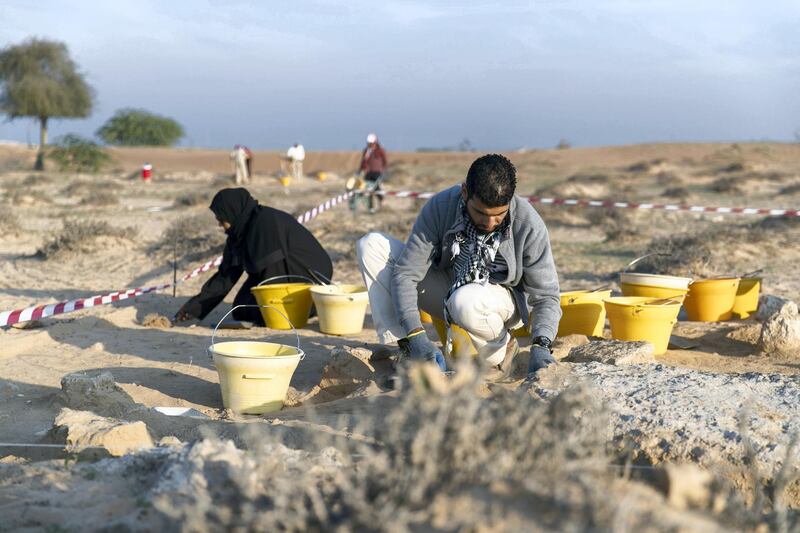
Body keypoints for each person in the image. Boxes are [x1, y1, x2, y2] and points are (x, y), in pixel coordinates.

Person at [356, 154, 561, 379]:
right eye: (481, 213)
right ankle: (407, 349)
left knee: (466, 301)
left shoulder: (528, 224)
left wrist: (541, 346)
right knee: (371, 246)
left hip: (500, 301)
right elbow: (406, 273)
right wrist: (415, 336)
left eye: (499, 216)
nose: (490, 224)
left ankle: (501, 349)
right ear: (465, 193)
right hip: (449, 290)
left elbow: (546, 296)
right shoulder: (441, 207)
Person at [175, 188, 333, 325]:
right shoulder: (237, 233)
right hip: (279, 273)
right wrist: (193, 309)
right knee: (241, 310)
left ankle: (309, 308)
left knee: (260, 312)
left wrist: (269, 308)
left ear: (232, 213)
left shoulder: (265, 222)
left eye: (221, 219)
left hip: (307, 274)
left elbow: (274, 272)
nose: (219, 225)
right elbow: (225, 277)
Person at [352, 133, 387, 214]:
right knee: (368, 189)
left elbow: (384, 161)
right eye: (369, 143)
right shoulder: (366, 151)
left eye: (371, 143)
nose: (370, 144)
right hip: (368, 173)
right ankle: (370, 207)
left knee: (376, 188)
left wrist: (383, 170)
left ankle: (381, 200)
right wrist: (360, 170)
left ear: (375, 142)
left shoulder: (380, 150)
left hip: (377, 172)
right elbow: (363, 162)